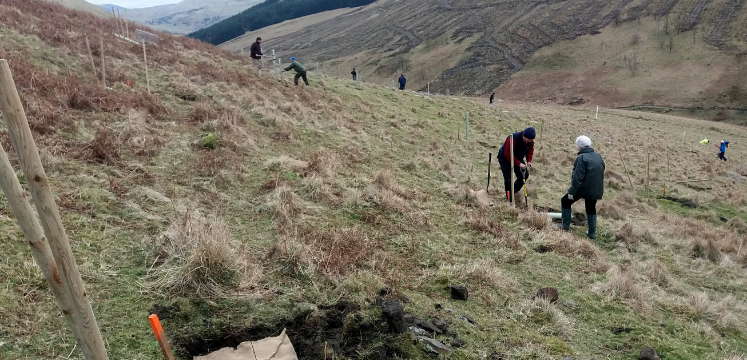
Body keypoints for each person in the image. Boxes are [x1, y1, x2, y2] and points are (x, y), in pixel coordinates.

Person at [559, 136, 605, 239]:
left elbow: (577, 178)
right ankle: (592, 233)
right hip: (596, 189)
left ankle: (564, 226)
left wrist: (571, 192)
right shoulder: (598, 156)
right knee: (590, 207)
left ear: (579, 147)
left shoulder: (581, 158)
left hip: (583, 189)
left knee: (565, 201)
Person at [497, 127, 536, 203]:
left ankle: (513, 191)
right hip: (505, 158)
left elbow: (530, 152)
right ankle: (509, 198)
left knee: (524, 175)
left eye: (531, 140)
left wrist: (529, 161)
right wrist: (519, 164)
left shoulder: (530, 142)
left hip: (517, 157)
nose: (530, 141)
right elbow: (508, 154)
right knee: (508, 180)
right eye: (529, 139)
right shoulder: (512, 139)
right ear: (524, 136)